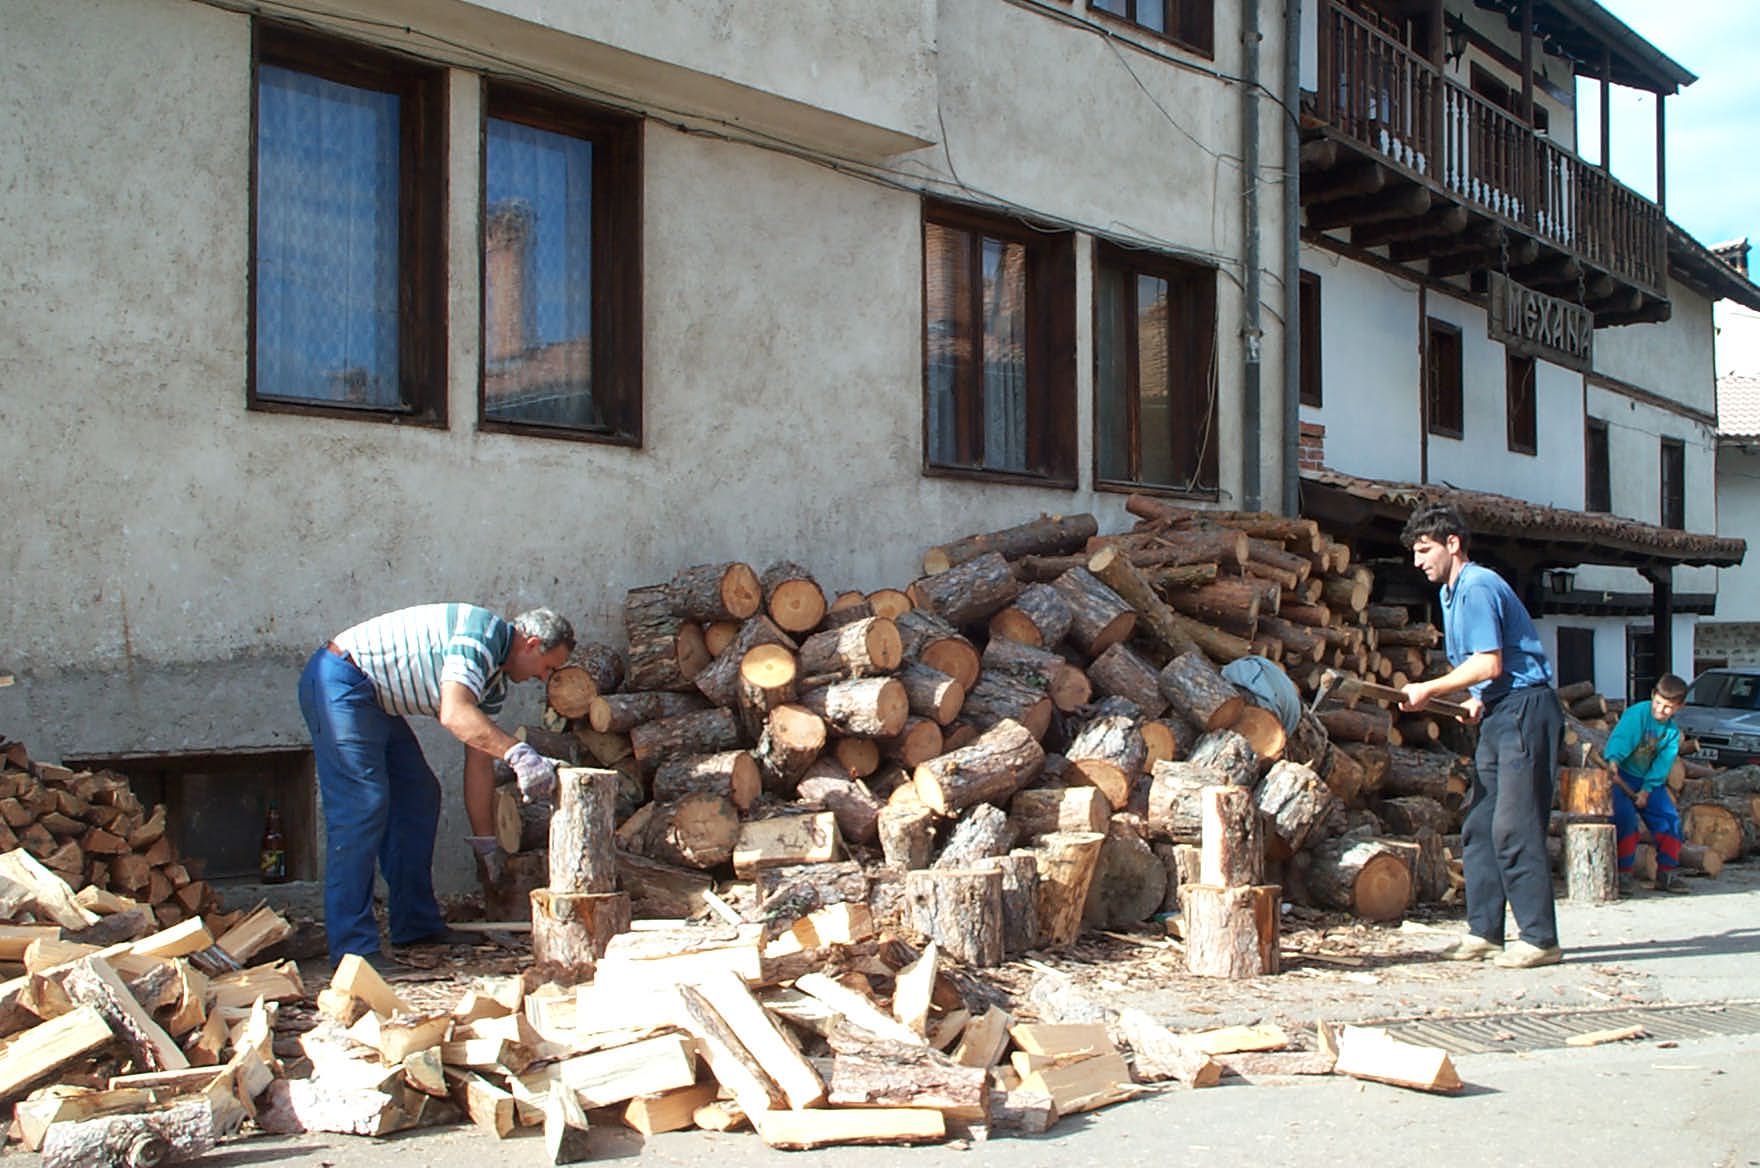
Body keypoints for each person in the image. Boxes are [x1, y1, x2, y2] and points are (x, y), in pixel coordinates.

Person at [297, 603, 574, 967]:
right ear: (531, 644)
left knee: (418, 795)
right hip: (341, 680)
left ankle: (415, 924)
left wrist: (486, 845)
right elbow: (454, 713)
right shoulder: (482, 638)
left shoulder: (493, 682)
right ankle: (353, 951)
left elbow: (478, 760)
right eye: (548, 667)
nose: (543, 678)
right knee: (361, 806)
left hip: (372, 700)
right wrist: (518, 753)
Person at [1398, 504, 1564, 969]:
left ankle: (1540, 939)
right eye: (1414, 552)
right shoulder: (1452, 593)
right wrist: (1475, 699)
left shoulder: (1477, 585)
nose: (1418, 562)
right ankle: (1485, 933)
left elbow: (1489, 662)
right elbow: (1490, 671)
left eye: (1425, 550)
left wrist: (1430, 687)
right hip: (1500, 709)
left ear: (1453, 543)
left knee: (1515, 825)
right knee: (1479, 825)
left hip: (1526, 712)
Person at [1604, 674, 1690, 895]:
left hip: (1648, 781)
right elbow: (1622, 739)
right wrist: (1613, 760)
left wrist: (1647, 790)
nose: (1661, 710)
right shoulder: (1637, 714)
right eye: (1659, 703)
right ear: (1653, 695)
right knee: (1625, 821)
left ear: (1679, 706)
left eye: (1668, 707)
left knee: (1669, 821)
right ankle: (1623, 875)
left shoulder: (1671, 734)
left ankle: (1666, 874)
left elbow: (1662, 764)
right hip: (1621, 775)